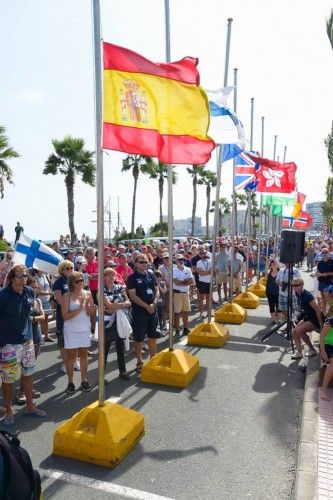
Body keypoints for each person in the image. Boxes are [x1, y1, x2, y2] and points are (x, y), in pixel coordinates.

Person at [0, 264, 46, 425]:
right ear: (12, 278)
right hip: (8, 345)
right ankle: (9, 411)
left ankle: (30, 406)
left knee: (28, 374)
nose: (24, 278)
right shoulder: (3, 295)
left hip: (27, 341)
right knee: (8, 379)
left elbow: (28, 314)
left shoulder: (29, 291)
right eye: (20, 275)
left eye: (25, 275)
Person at [61, 271, 96, 393]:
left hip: (84, 329)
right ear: (71, 283)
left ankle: (84, 380)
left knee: (84, 354)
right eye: (78, 281)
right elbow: (65, 316)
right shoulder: (67, 296)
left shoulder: (88, 294)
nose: (81, 283)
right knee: (71, 356)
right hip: (71, 330)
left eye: (82, 280)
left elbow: (91, 313)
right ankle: (70, 382)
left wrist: (89, 308)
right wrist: (80, 308)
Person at [127, 253, 160, 373]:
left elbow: (157, 290)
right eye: (141, 262)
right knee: (139, 338)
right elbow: (132, 295)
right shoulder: (132, 277)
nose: (144, 264)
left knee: (153, 336)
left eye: (146, 262)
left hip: (152, 310)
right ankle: (139, 361)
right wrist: (147, 306)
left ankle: (153, 358)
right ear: (136, 264)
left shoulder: (151, 274)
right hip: (140, 312)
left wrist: (154, 303)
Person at [16, 275, 44, 405]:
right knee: (24, 367)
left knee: (30, 367)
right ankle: (21, 393)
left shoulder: (38, 301)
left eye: (36, 287)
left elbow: (43, 317)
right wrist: (32, 319)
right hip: (24, 336)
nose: (34, 290)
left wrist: (31, 319)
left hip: (36, 335)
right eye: (32, 287)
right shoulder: (22, 300)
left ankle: (29, 389)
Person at [103, 268, 131, 383]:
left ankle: (122, 371)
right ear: (104, 277)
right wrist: (122, 305)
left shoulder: (119, 287)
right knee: (105, 349)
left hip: (119, 320)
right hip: (107, 322)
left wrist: (117, 305)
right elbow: (108, 305)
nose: (111, 277)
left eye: (113, 275)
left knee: (120, 346)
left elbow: (128, 302)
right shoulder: (102, 289)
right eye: (108, 275)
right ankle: (101, 375)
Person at [291, 277, 323, 360]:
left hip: (314, 319)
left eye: (296, 285)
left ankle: (312, 350)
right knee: (294, 332)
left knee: (298, 331)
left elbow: (317, 309)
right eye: (293, 285)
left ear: (302, 285)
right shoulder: (298, 294)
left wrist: (320, 323)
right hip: (308, 317)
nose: (294, 287)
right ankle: (301, 352)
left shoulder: (307, 295)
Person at [52, 259, 75, 373]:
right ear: (62, 269)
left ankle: (74, 361)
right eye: (67, 268)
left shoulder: (75, 280)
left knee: (74, 339)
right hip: (64, 314)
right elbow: (60, 300)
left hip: (75, 315)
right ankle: (65, 363)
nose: (70, 270)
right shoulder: (58, 282)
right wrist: (73, 307)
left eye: (71, 268)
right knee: (63, 340)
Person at [173, 254, 194, 339]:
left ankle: (185, 328)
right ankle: (177, 329)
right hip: (177, 294)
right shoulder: (173, 270)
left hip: (185, 293)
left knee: (186, 311)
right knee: (177, 313)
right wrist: (186, 281)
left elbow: (191, 281)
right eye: (179, 259)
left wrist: (182, 281)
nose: (181, 261)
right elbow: (176, 282)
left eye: (182, 259)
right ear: (176, 261)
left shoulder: (188, 269)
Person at [35, 270, 54, 342]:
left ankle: (46, 336)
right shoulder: (35, 278)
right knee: (39, 319)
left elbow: (48, 286)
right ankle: (38, 337)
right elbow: (37, 291)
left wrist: (49, 293)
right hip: (38, 301)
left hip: (46, 300)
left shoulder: (45, 276)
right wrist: (49, 293)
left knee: (46, 319)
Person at [319, 316, 333, 400]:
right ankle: (323, 390)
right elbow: (322, 336)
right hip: (327, 345)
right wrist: (323, 352)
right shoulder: (331, 320)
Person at [316, 248, 333, 314]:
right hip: (321, 282)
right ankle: (324, 313)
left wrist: (327, 274)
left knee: (329, 299)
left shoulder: (332, 262)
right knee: (323, 298)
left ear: (329, 253)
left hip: (329, 282)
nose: (324, 253)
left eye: (326, 252)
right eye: (323, 252)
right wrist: (317, 274)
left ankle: (331, 313)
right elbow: (318, 271)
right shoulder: (320, 262)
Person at [265, 260, 281, 325]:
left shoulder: (280, 273)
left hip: (278, 293)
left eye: (274, 264)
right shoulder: (269, 272)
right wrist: (268, 264)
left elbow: (279, 265)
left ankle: (279, 320)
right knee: (271, 306)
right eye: (272, 264)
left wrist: (274, 260)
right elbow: (265, 271)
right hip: (269, 292)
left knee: (279, 307)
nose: (273, 265)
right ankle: (273, 320)